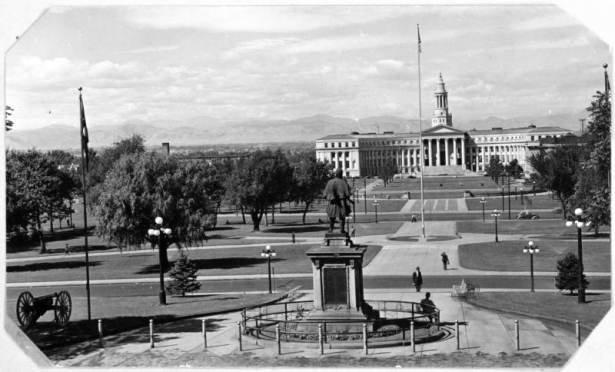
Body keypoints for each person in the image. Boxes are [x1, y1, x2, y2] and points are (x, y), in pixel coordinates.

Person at [323, 168, 354, 234]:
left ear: (335, 174)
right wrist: (351, 201)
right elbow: (347, 194)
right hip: (341, 202)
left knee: (332, 216)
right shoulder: (343, 182)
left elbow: (325, 194)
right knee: (342, 216)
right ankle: (342, 230)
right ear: (341, 174)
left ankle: (330, 229)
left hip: (332, 202)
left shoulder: (330, 182)